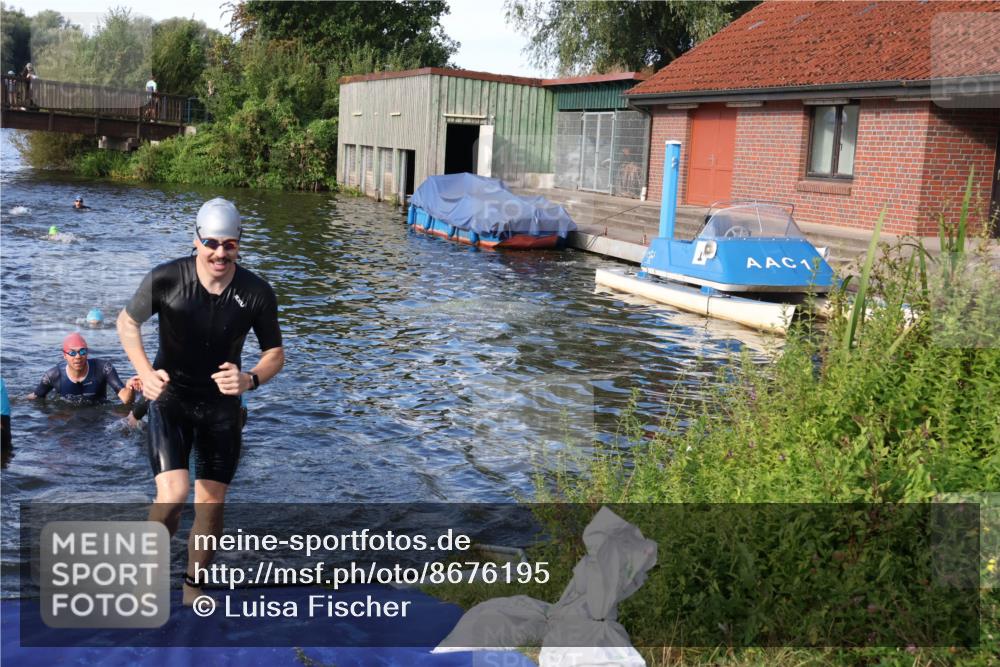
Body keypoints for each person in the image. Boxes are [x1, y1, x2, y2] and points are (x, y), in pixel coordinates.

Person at [117, 197, 284, 604]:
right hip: (170, 398)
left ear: (239, 244)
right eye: (211, 243)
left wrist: (251, 379)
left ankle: (193, 584)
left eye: (229, 244)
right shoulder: (167, 279)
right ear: (196, 241)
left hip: (220, 408)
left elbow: (275, 353)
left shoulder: (256, 292)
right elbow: (127, 322)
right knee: (173, 495)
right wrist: (145, 371)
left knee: (211, 503)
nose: (220, 253)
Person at [28, 332, 138, 404]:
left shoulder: (103, 368)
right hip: (69, 416)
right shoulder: (52, 376)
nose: (78, 357)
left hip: (98, 415)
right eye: (72, 353)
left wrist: (130, 388)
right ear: (64, 355)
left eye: (82, 351)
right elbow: (36, 398)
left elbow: (126, 399)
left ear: (87, 352)